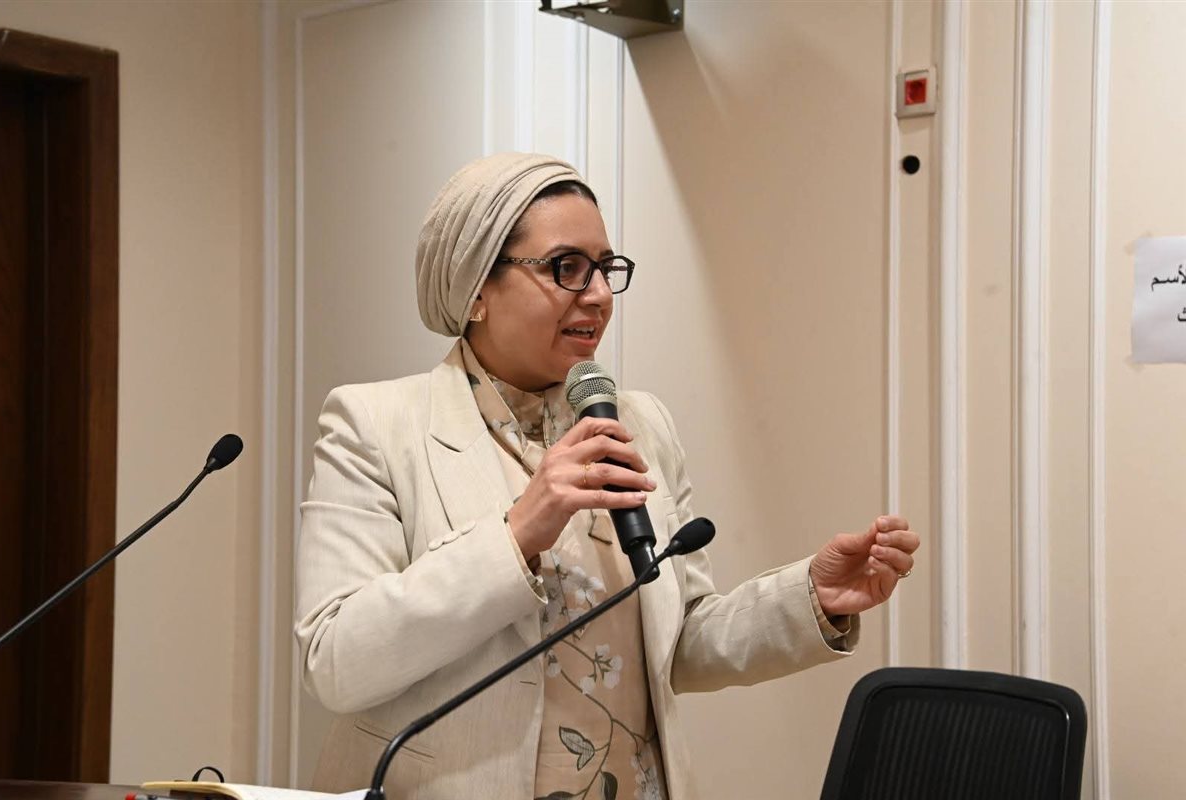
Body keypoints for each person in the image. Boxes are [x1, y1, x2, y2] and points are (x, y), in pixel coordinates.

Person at [294, 152, 920, 800]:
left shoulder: (641, 422)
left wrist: (809, 597)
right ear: (476, 289)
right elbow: (336, 661)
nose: (596, 294)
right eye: (566, 267)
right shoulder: (376, 424)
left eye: (605, 268)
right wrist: (515, 535)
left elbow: (679, 643)